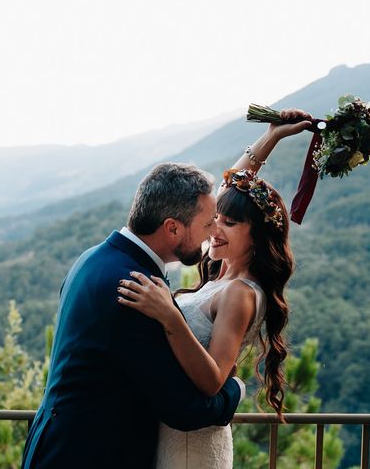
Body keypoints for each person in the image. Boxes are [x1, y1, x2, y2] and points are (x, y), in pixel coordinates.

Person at [117, 109, 312, 468]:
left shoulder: (240, 293)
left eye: (230, 223)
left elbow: (211, 380)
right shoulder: (220, 277)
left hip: (191, 449)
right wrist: (272, 137)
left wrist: (166, 315)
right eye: (215, 219)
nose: (214, 228)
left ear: (256, 238)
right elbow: (229, 191)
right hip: (166, 432)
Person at [21, 163, 246, 469]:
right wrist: (235, 390)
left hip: (53, 445)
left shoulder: (93, 257)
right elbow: (185, 410)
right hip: (91, 456)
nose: (213, 234)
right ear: (172, 228)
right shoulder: (135, 289)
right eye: (207, 225)